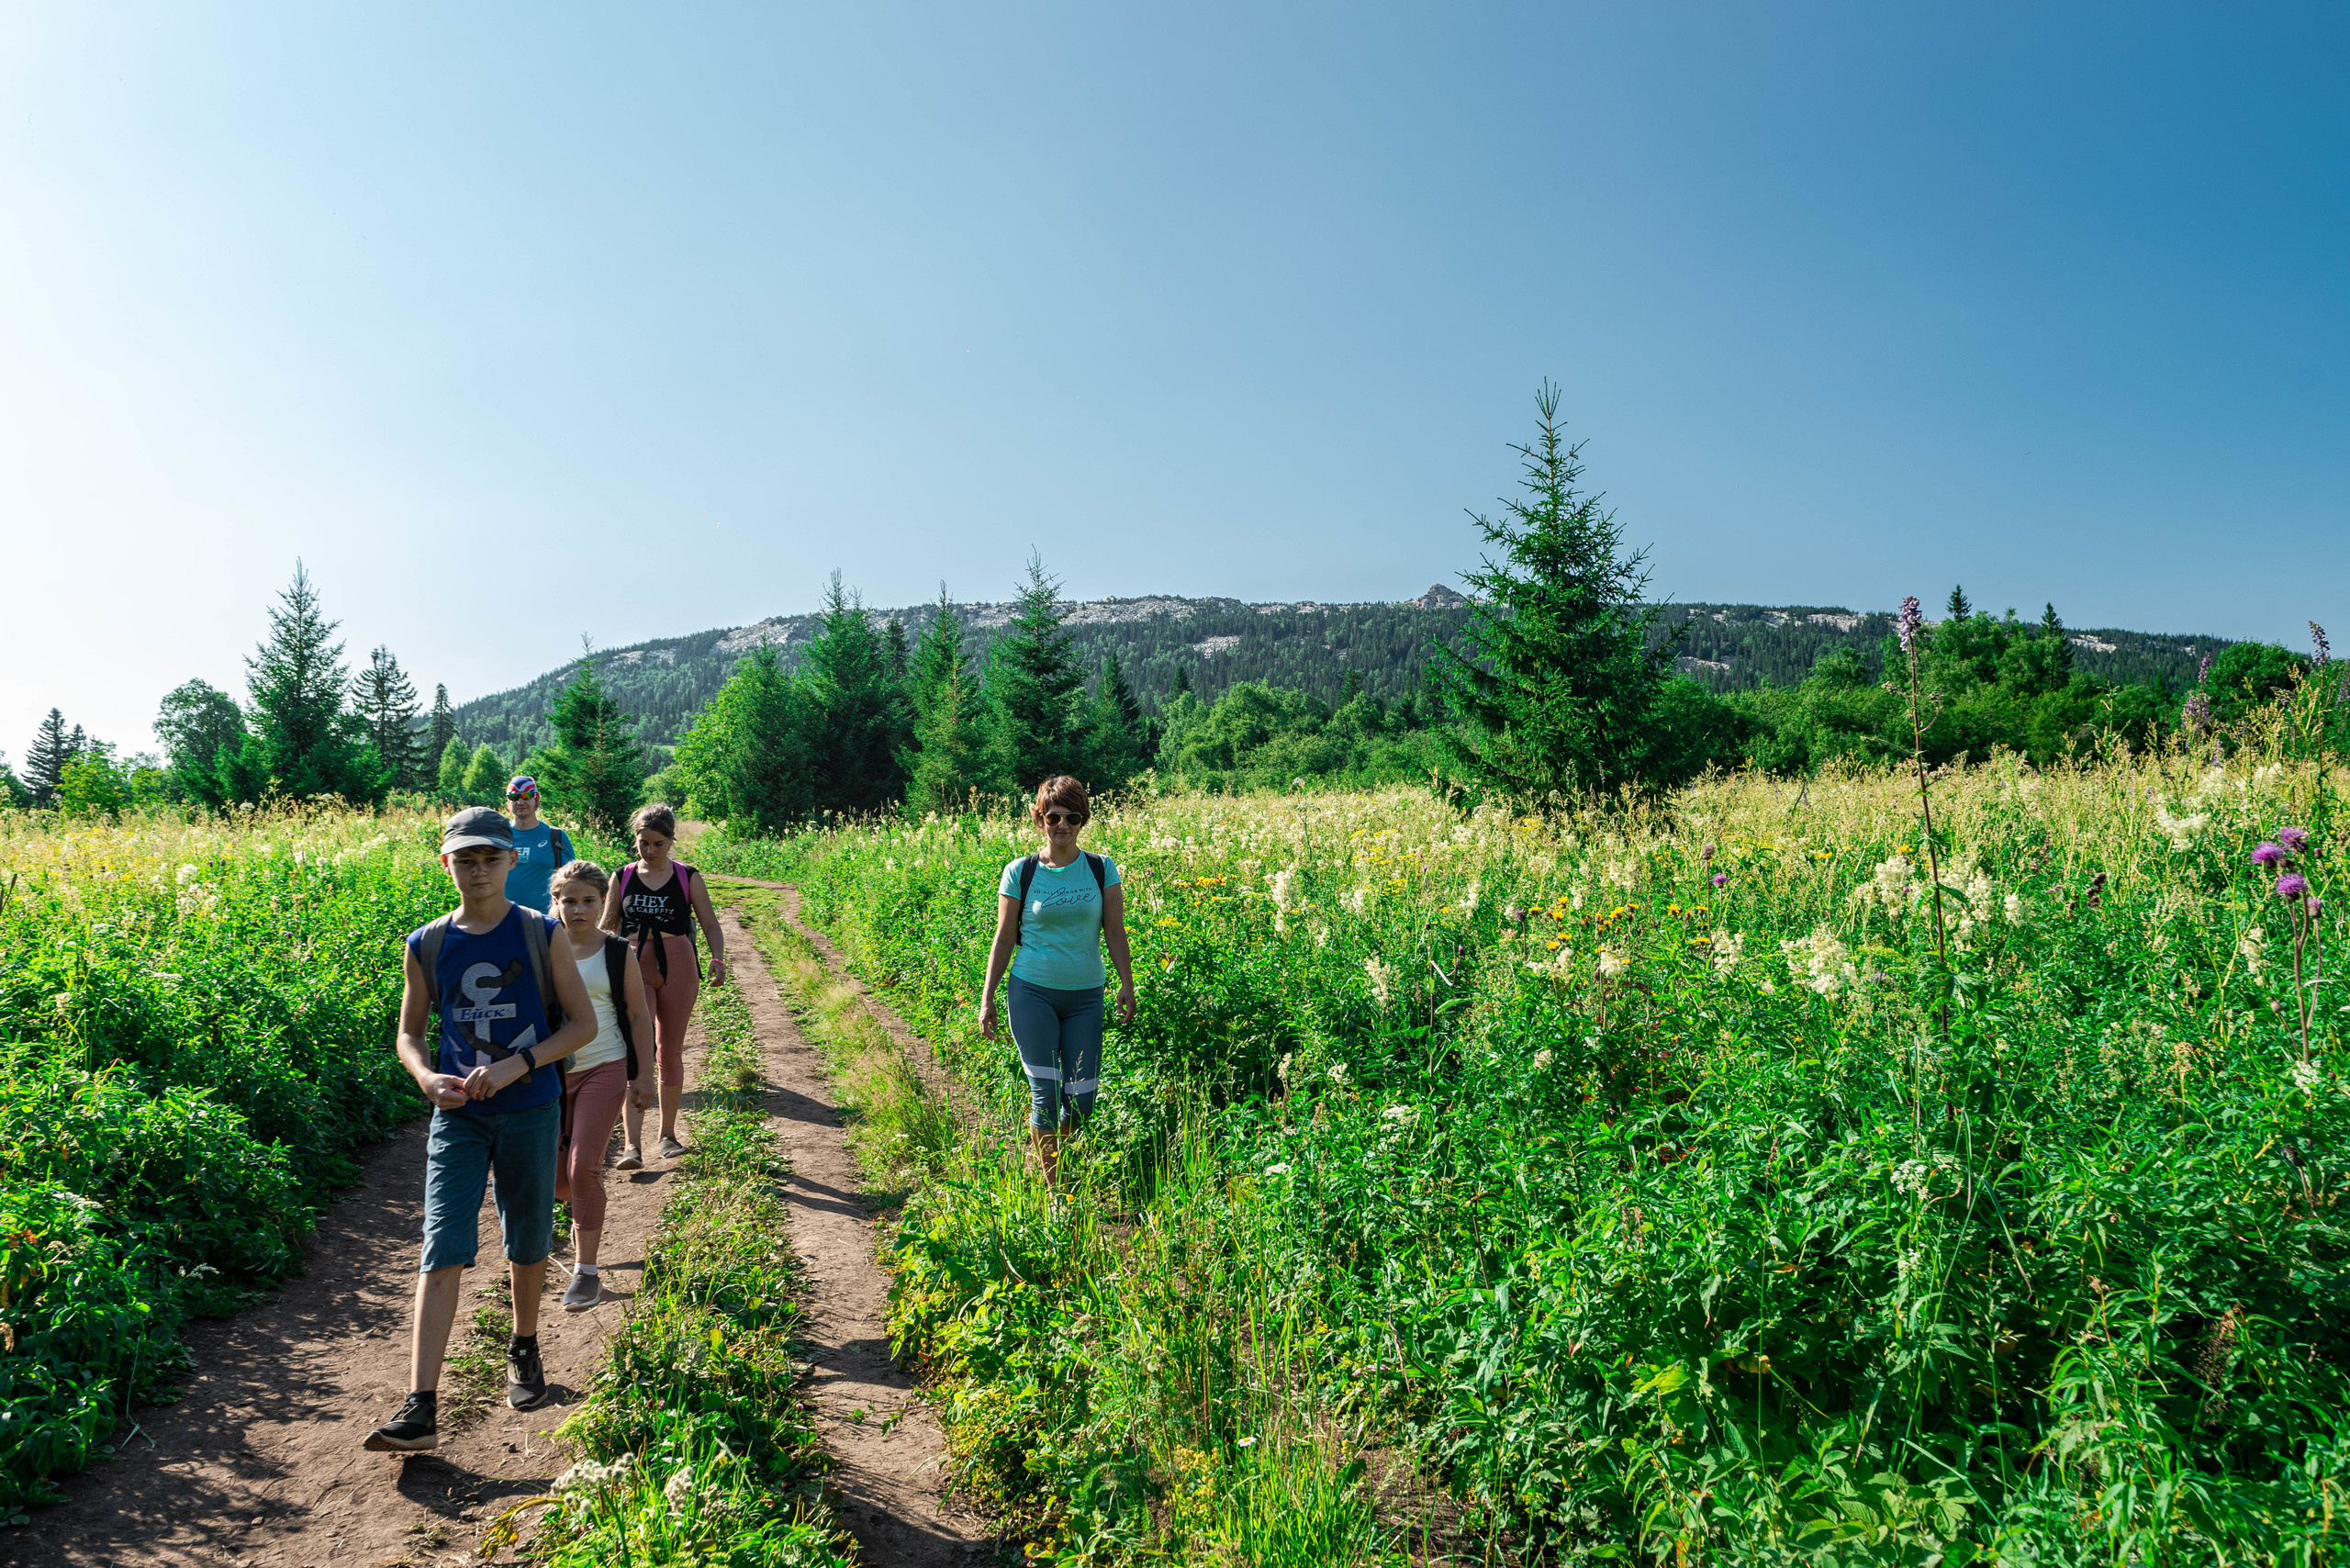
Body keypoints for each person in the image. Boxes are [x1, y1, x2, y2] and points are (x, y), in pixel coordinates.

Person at [365, 808, 598, 1453]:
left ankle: (524, 1344)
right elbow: (410, 1034)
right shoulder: (428, 943)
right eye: (464, 859)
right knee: (442, 1245)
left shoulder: (539, 932)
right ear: (446, 865)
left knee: (527, 1240)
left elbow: (581, 1026)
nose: (477, 870)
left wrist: (518, 1064)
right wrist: (424, 1077)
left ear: (511, 862)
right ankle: (421, 1407)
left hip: (530, 1109)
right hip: (458, 1118)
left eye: (489, 858)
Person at [979, 776, 1136, 1187]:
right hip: (1032, 993)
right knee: (1045, 1097)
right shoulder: (1020, 872)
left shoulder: (1103, 869)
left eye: (1072, 816)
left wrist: (1126, 984)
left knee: (1081, 1100)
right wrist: (988, 997)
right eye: (1053, 816)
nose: (1062, 824)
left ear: (1083, 820)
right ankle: (1057, 1191)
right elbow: (1005, 936)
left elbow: (1115, 931)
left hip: (1085, 997)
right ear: (1039, 819)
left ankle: (1051, 1158)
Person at [546, 858, 655, 1312]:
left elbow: (636, 1014)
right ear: (555, 902)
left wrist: (643, 1074)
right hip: (548, 1073)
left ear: (603, 902)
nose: (578, 909)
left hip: (603, 1066)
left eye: (588, 900)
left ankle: (587, 1272)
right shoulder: (539, 947)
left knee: (583, 1168)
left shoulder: (616, 952)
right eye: (568, 900)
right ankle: (578, 1214)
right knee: (557, 1183)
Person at [600, 802, 725, 1163]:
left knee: (668, 1052)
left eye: (658, 843)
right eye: (643, 843)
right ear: (635, 840)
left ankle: (667, 1135)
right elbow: (607, 926)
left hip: (679, 965)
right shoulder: (621, 876)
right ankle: (631, 1145)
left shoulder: (688, 876)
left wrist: (717, 959)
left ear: (671, 841)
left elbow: (710, 924)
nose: (650, 850)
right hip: (633, 965)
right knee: (636, 1053)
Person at [503, 775, 575, 913]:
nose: (520, 801)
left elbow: (571, 879)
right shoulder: (499, 835)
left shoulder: (556, 836)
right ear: (508, 801)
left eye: (526, 796)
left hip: (545, 920)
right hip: (503, 919)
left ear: (536, 798)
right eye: (514, 797)